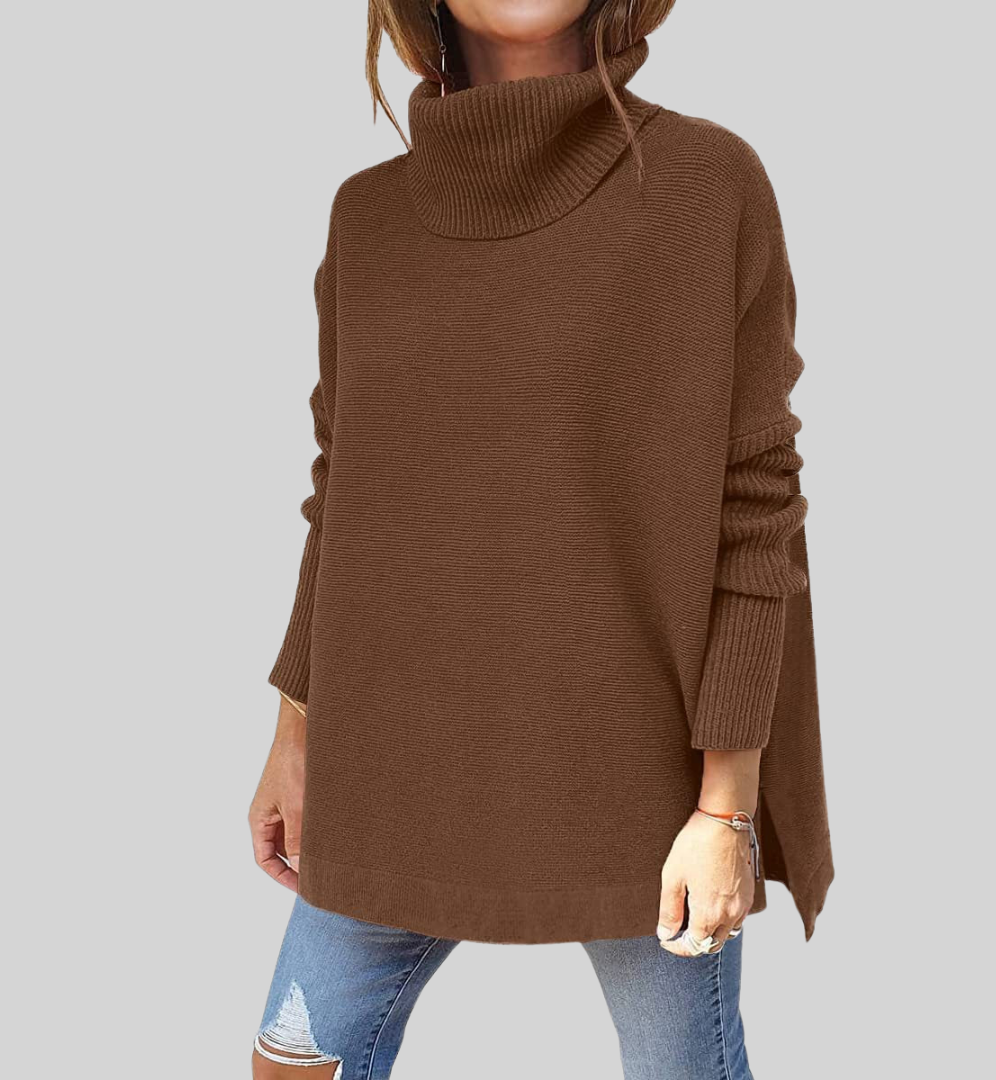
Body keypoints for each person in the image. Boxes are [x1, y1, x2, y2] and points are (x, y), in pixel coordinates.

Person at [248, 2, 833, 1077]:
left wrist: (727, 810)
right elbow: (347, 493)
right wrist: (296, 734)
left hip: (640, 779)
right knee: (292, 1061)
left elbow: (755, 512)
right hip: (392, 757)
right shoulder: (366, 217)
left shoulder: (707, 185)